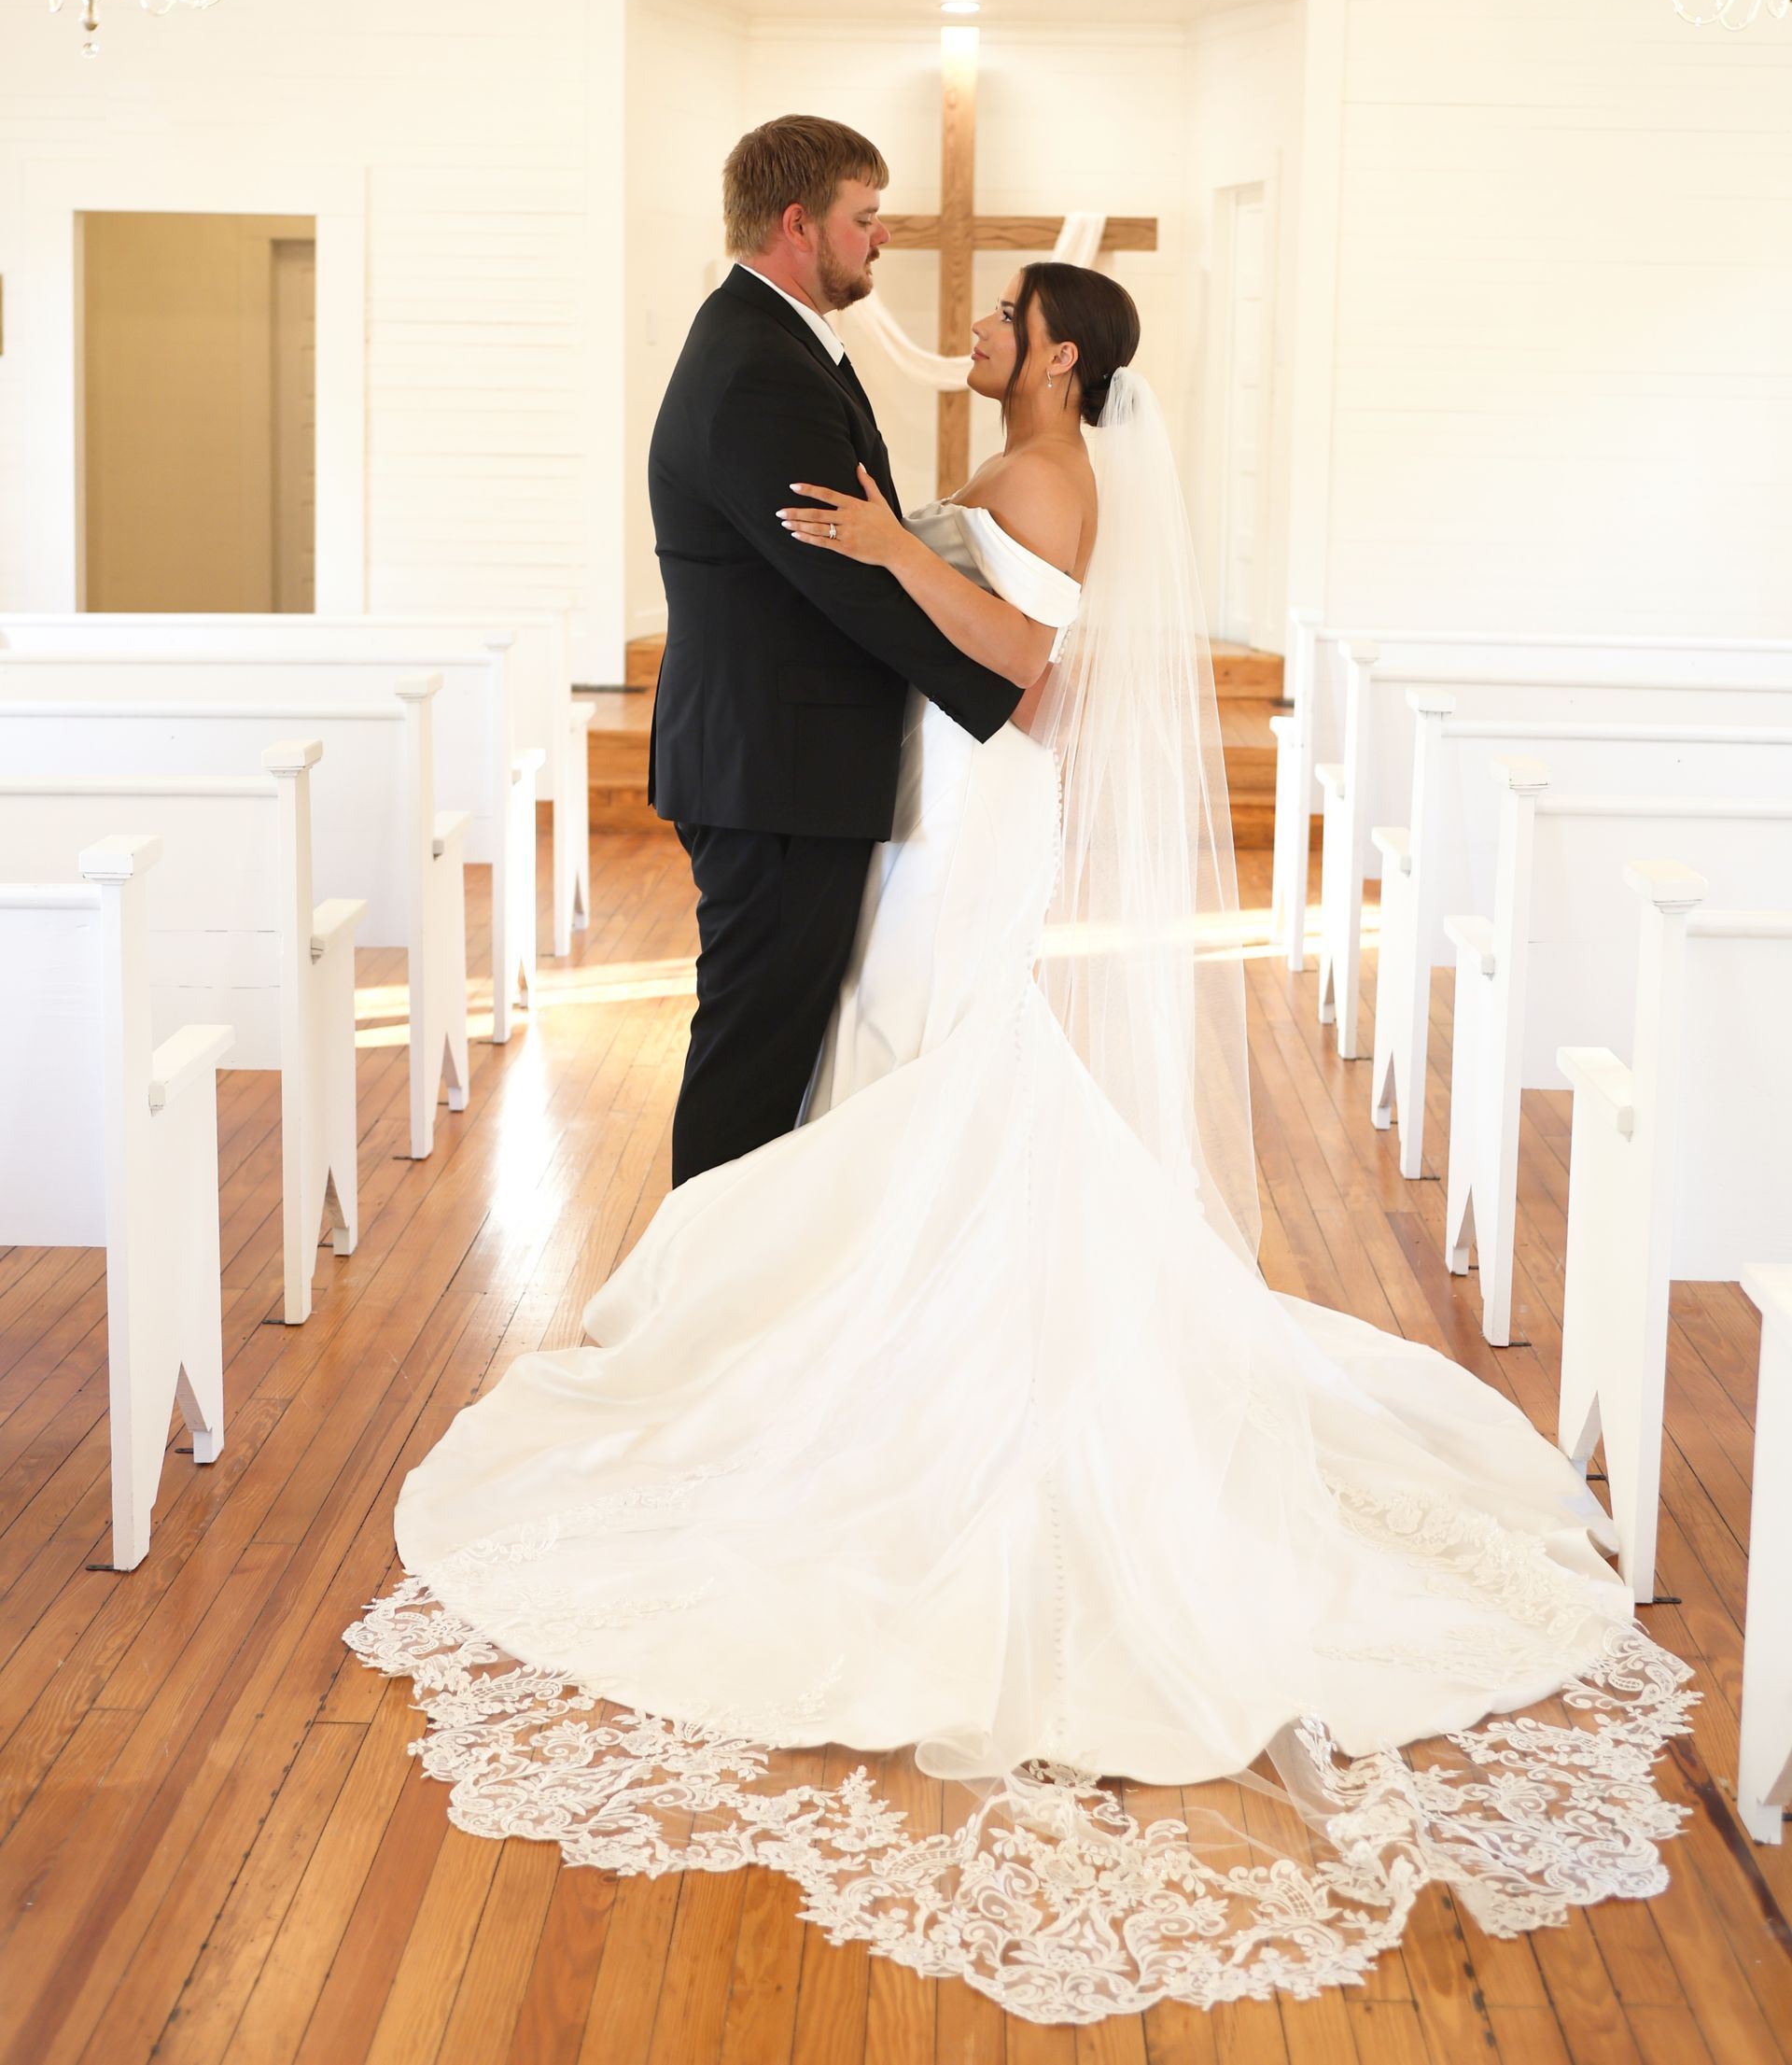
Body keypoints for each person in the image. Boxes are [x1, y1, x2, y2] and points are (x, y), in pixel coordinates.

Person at [351, 259, 1688, 2026]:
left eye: (1000, 323)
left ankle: (929, 1366)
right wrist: (916, 545)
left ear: (1057, 355)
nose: (972, 336)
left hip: (981, 802)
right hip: (934, 793)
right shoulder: (1025, 465)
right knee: (901, 1058)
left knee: (941, 1054)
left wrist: (908, 554)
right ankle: (870, 1339)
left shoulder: (1054, 478)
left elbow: (1042, 677)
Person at [643, 113, 1020, 1183]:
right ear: (800, 224)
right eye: (866, 216)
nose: (883, 235)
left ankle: (723, 1289)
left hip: (781, 762)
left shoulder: (771, 341)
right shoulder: (757, 364)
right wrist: (1002, 688)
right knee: (754, 1052)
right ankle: (695, 1307)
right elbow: (846, 576)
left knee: (776, 1043)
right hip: (776, 770)